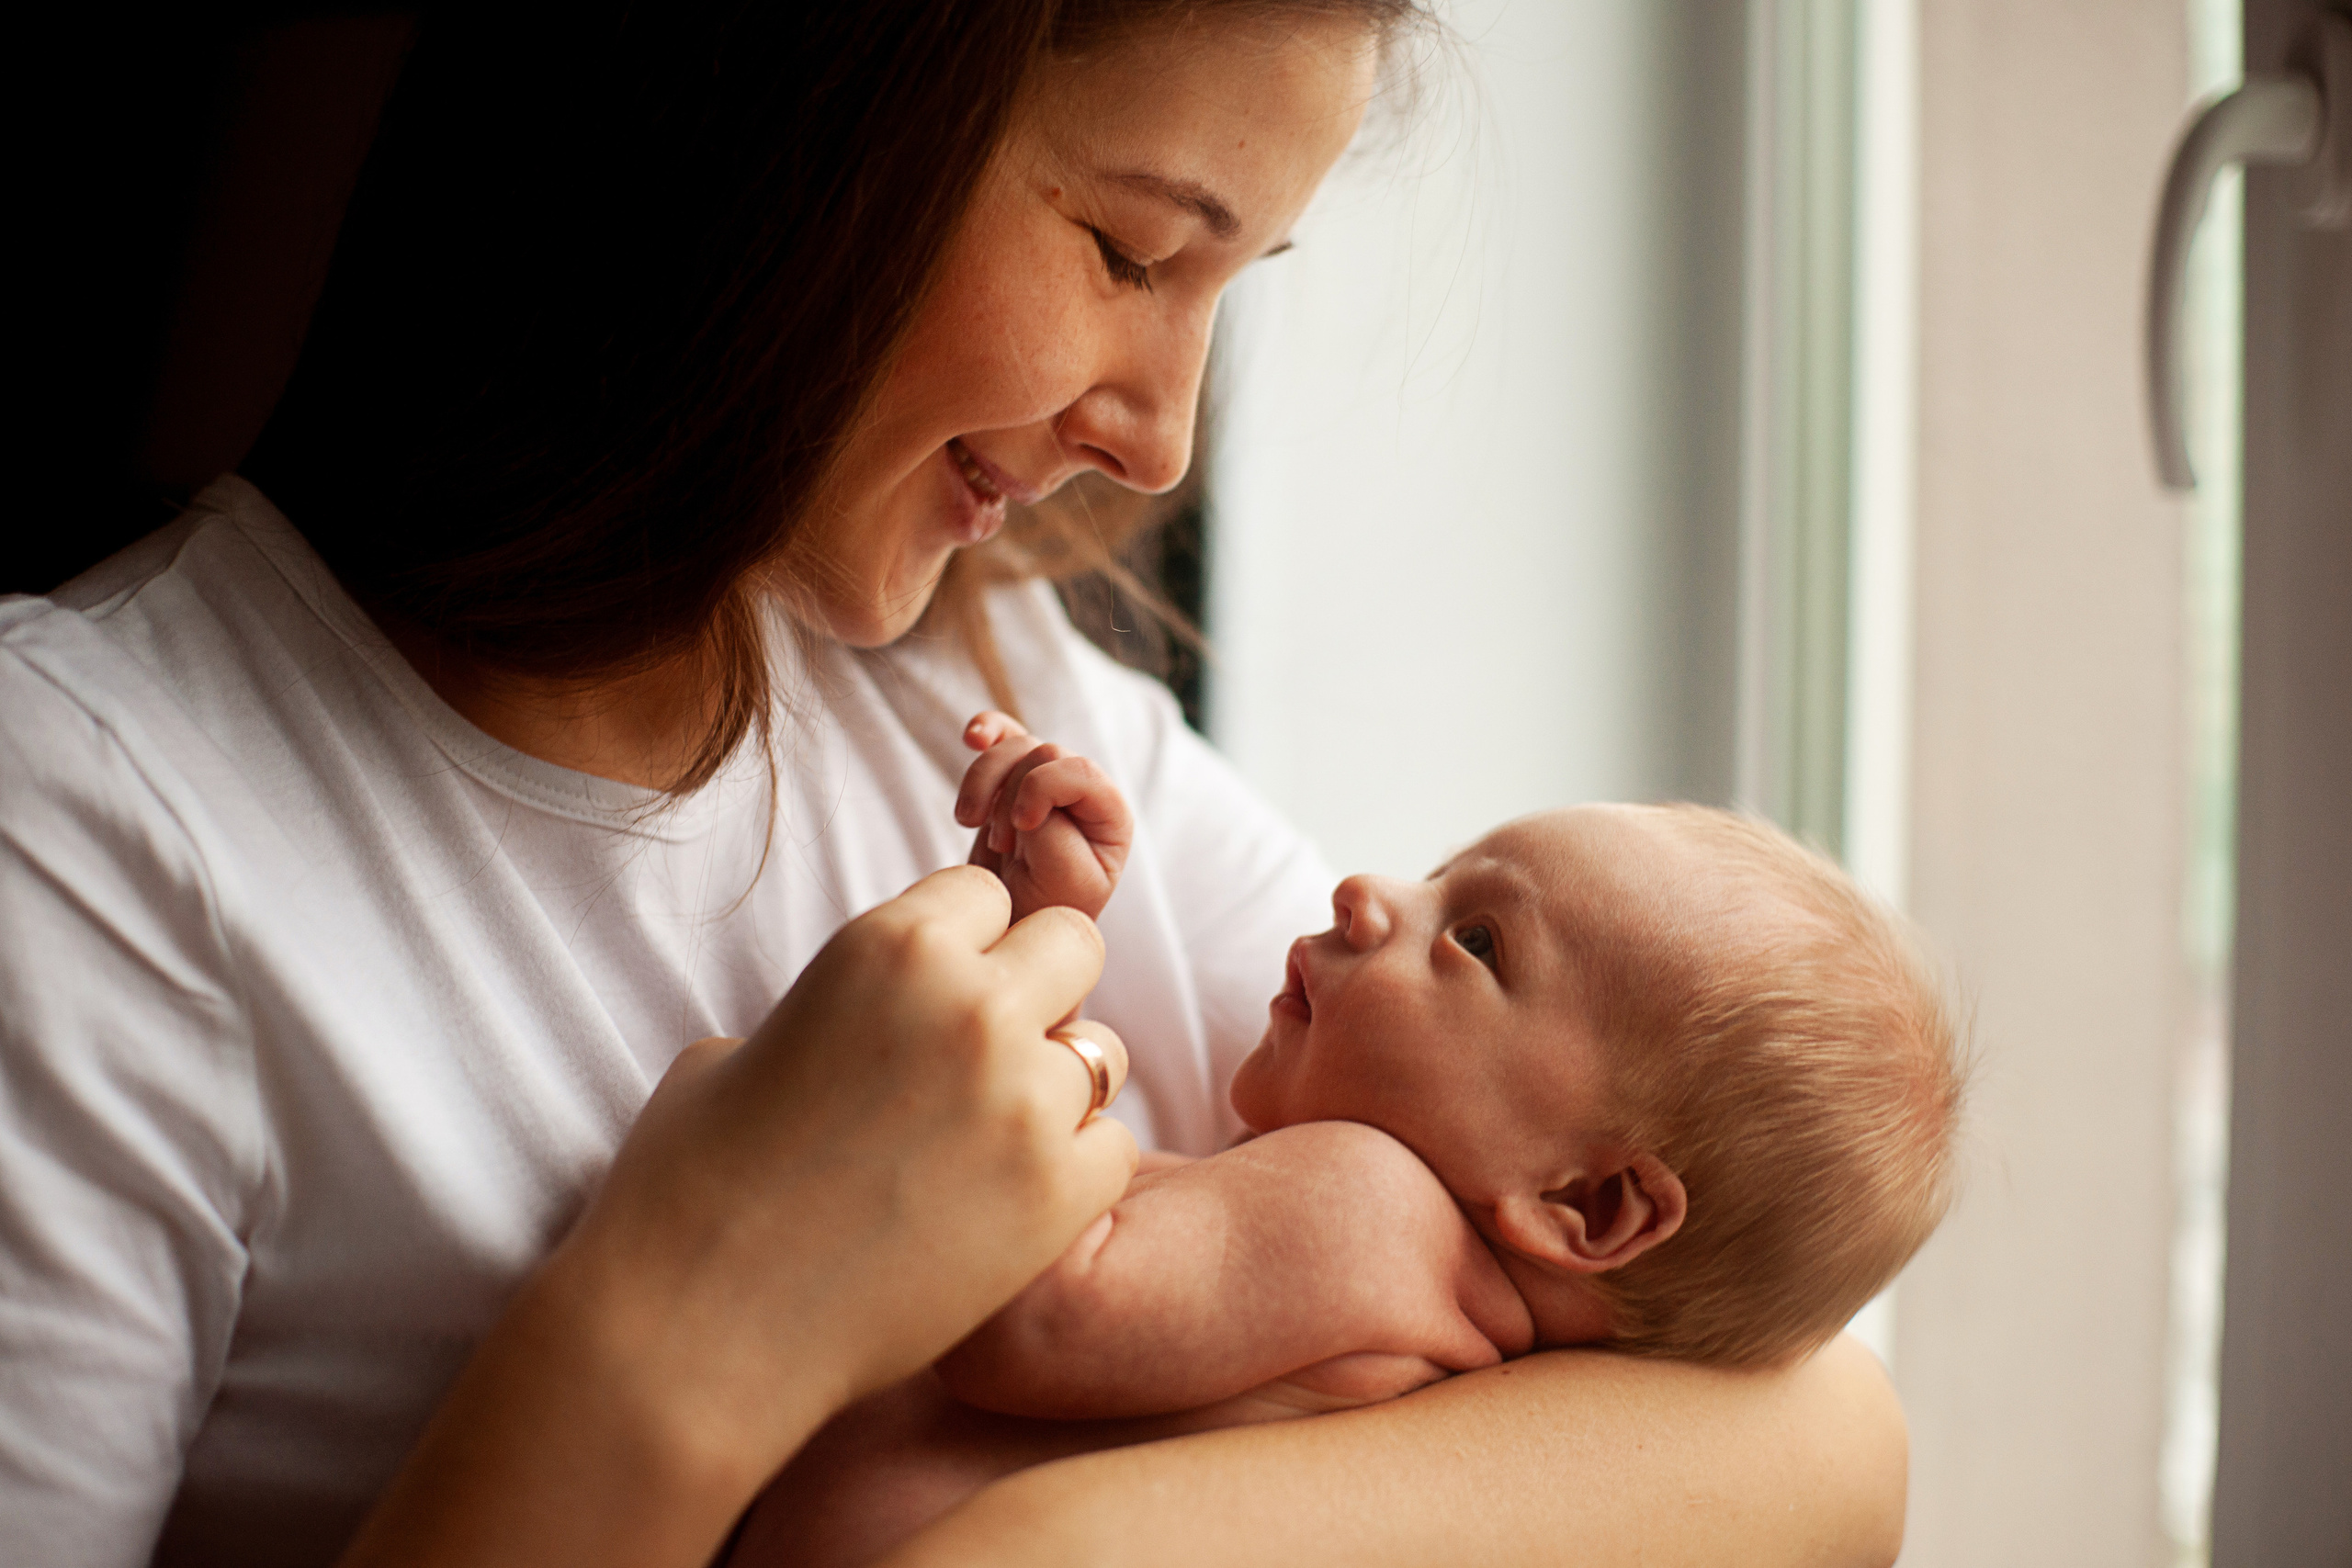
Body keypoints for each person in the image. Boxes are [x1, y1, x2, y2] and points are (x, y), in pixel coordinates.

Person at [0, 6, 1909, 1566]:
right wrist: (676, 1323)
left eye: (1225, 282)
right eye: (1132, 250)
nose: (1161, 440)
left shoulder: (994, 698)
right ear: (793, 116)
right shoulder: (81, 829)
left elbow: (1815, 1419)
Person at [730, 724, 1963, 1568]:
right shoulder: (1435, 1315)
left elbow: (1031, 1308)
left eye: (1477, 942)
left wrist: (1033, 957)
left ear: (1586, 1206)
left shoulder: (1368, 1204)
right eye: (1440, 876)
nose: (1368, 894)